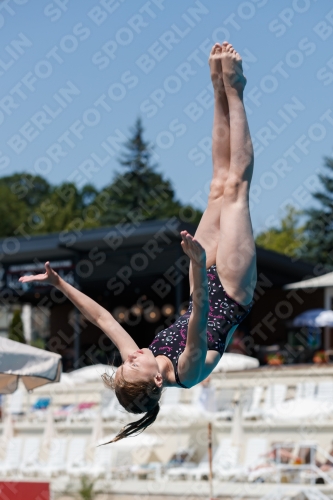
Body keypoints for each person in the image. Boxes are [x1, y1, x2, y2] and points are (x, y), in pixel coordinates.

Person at [19, 42, 257, 443]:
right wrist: (197, 263)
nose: (130, 355)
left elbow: (104, 319)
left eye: (127, 360)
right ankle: (235, 88)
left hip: (204, 270)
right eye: (132, 364)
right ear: (156, 385)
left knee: (217, 185)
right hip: (231, 290)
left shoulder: (143, 359)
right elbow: (200, 311)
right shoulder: (188, 370)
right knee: (235, 188)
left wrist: (59, 284)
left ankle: (217, 87)